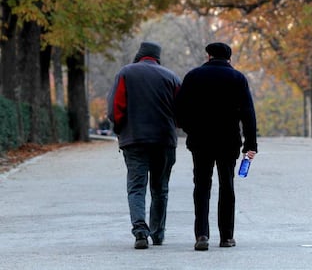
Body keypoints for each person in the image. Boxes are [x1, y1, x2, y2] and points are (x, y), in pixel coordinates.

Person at [175, 42, 258, 251]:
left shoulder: (193, 76)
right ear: (229, 58)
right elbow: (248, 113)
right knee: (227, 186)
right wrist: (250, 144)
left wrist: (190, 129)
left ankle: (201, 234)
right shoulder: (238, 78)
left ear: (209, 56)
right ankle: (226, 236)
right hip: (228, 140)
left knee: (201, 187)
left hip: (200, 140)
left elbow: (179, 110)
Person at [107, 41, 181, 249]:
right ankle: (158, 234)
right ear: (158, 57)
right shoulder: (171, 77)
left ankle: (140, 232)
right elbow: (181, 111)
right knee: (160, 188)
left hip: (134, 140)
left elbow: (115, 108)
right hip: (164, 141)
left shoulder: (126, 73)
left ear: (139, 55)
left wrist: (121, 128)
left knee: (137, 187)